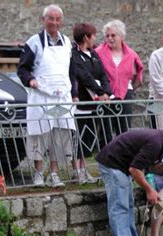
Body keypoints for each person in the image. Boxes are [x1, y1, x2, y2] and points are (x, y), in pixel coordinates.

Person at [17, 4, 76, 187]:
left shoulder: (67, 43)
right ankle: (38, 174)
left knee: (59, 135)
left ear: (62, 21)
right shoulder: (33, 42)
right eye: (51, 18)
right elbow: (22, 69)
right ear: (44, 20)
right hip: (41, 96)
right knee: (39, 135)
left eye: (58, 19)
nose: (54, 22)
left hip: (61, 97)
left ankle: (54, 174)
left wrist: (74, 93)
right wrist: (30, 80)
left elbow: (71, 71)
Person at [71, 23, 113, 183]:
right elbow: (84, 76)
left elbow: (103, 74)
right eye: (93, 35)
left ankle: (84, 169)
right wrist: (99, 92)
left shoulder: (94, 54)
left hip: (94, 103)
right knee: (79, 136)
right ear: (85, 37)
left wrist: (107, 92)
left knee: (88, 136)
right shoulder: (74, 55)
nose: (95, 38)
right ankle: (76, 170)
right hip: (80, 101)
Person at [95, 19, 143, 137]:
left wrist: (130, 89)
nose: (110, 38)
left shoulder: (131, 55)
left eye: (113, 35)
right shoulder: (98, 52)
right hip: (106, 95)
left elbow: (138, 75)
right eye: (107, 36)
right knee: (106, 129)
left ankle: (123, 154)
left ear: (121, 36)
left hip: (125, 94)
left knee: (124, 128)